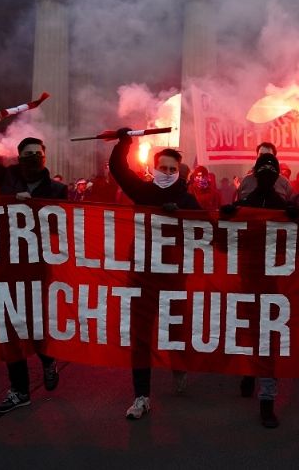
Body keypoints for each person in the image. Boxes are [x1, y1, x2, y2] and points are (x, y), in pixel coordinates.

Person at [0, 110, 68, 414]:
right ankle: (19, 390)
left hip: (38, 265)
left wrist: (39, 209)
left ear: (44, 156)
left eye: (37, 153)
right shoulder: (7, 177)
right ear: (19, 157)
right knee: (9, 325)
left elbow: (63, 227)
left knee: (35, 323)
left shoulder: (57, 190)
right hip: (5, 262)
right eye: (27, 154)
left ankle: (47, 358)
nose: (32, 158)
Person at [109, 127, 200, 420]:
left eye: (172, 169)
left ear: (179, 172)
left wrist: (183, 215)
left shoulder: (187, 199)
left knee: (175, 327)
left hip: (173, 273)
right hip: (143, 273)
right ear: (154, 168)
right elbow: (118, 169)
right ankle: (141, 395)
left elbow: (207, 226)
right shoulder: (144, 191)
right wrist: (125, 141)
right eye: (163, 167)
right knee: (141, 334)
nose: (167, 172)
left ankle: (179, 366)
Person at [224, 153, 299, 428]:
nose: (268, 174)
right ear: (255, 174)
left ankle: (267, 400)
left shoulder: (283, 206)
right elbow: (223, 243)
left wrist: (296, 218)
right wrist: (226, 217)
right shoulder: (244, 204)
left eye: (272, 170)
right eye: (263, 170)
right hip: (246, 281)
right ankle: (248, 373)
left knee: (268, 340)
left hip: (274, 284)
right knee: (248, 333)